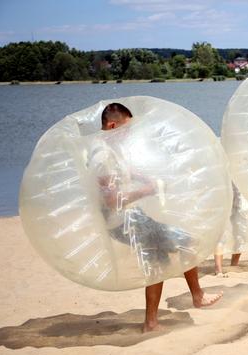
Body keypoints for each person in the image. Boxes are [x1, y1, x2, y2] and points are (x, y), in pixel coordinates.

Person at [92, 103, 221, 332]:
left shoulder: (111, 149)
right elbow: (110, 200)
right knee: (186, 240)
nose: (129, 134)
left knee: (158, 261)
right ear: (112, 126)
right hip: (121, 222)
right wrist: (147, 190)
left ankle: (151, 322)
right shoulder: (101, 156)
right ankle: (197, 296)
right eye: (126, 129)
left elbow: (125, 171)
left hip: (131, 216)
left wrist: (147, 177)